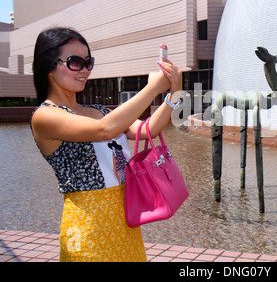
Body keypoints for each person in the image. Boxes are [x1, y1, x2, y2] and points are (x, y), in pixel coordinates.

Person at [30, 27, 182, 262]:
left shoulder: (98, 111)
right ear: (49, 66)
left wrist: (175, 90)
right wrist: (152, 88)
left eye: (88, 62)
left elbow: (147, 130)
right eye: (75, 62)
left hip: (126, 221)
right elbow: (105, 130)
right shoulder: (45, 116)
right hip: (87, 229)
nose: (85, 70)